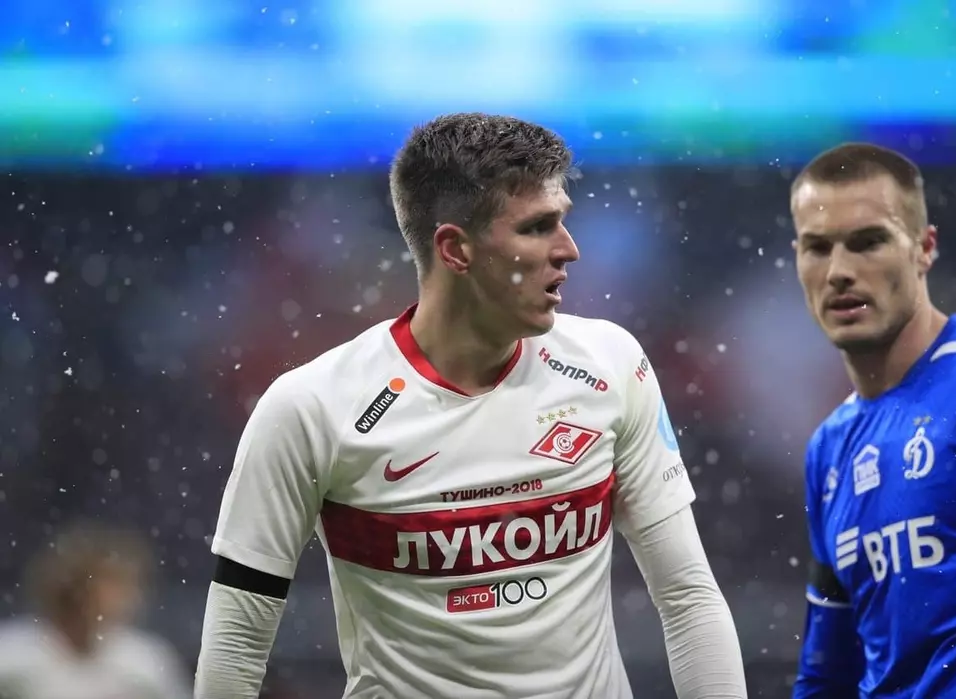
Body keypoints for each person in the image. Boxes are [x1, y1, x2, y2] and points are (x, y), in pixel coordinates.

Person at [193, 113, 748, 699]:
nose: (569, 250)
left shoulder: (611, 364)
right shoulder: (310, 408)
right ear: (455, 249)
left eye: (562, 221)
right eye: (537, 228)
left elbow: (688, 597)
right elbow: (236, 647)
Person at [789, 143, 956, 698]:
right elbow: (826, 673)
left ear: (924, 248)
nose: (839, 271)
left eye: (868, 242)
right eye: (818, 247)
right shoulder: (828, 448)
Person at [0, 521, 191, 699]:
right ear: (75, 588)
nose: (130, 596)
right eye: (113, 583)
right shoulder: (13, 659)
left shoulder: (146, 664)